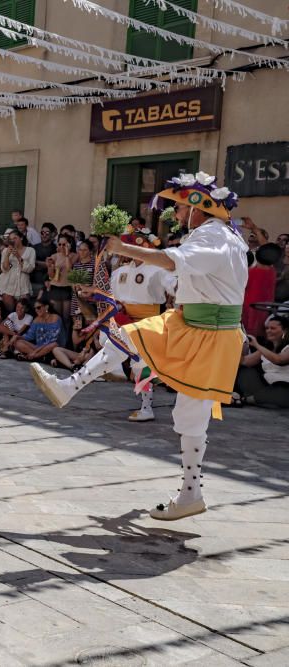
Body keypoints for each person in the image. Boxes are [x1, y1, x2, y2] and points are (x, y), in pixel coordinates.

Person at [31, 172, 247, 521]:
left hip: (209, 332)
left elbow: (170, 261)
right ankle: (68, 387)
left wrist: (122, 248)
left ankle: (191, 494)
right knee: (125, 336)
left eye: (178, 207)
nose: (174, 215)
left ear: (198, 207)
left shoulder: (213, 237)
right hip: (192, 323)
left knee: (191, 417)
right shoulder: (222, 237)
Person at [106, 228, 177, 422]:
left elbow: (173, 285)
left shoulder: (157, 269)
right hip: (124, 317)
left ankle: (147, 407)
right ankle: (116, 369)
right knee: (106, 335)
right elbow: (111, 294)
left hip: (148, 321)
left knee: (142, 365)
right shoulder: (121, 271)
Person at [234, 315, 289, 408]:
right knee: (246, 372)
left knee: (280, 391)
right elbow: (244, 362)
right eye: (267, 328)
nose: (268, 331)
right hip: (265, 386)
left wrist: (256, 345)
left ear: (285, 331)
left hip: (284, 387)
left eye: (273, 328)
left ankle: (246, 399)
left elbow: (279, 359)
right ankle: (252, 399)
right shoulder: (265, 349)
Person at [0, 229, 35, 310]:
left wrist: (18, 256)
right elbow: (5, 269)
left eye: (15, 238)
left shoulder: (30, 250)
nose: (13, 241)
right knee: (9, 311)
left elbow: (29, 269)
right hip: (8, 283)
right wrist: (7, 255)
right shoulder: (5, 250)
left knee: (22, 310)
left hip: (23, 283)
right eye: (11, 239)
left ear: (21, 238)